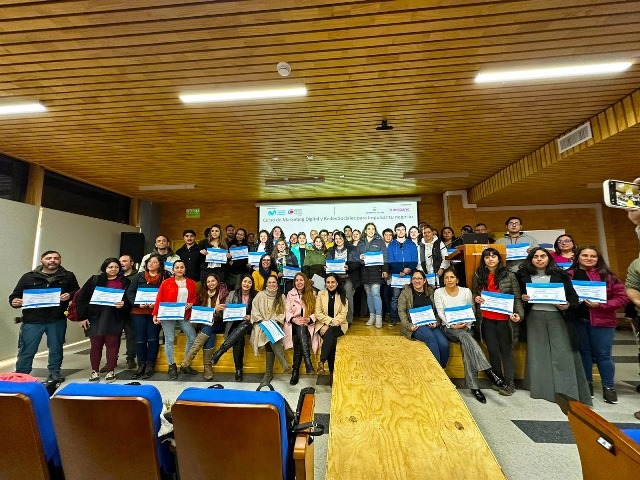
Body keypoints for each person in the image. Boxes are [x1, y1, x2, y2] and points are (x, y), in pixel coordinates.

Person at [517, 247, 592, 405]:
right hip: (534, 318)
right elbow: (516, 297)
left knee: (563, 354)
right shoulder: (522, 275)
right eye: (536, 256)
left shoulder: (560, 274)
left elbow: (573, 296)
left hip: (557, 317)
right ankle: (541, 390)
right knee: (538, 354)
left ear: (548, 258)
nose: (539, 259)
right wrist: (523, 298)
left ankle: (566, 391)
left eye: (542, 256)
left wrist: (567, 305)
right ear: (531, 259)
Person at [434, 267, 507, 404]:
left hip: (466, 327)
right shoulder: (438, 292)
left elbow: (471, 310)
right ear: (443, 280)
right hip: (449, 328)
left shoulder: (466, 292)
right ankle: (488, 371)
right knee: (465, 336)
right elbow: (440, 313)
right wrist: (452, 325)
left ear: (457, 279)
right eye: (446, 278)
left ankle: (474, 387)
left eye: (452, 277)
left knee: (466, 342)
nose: (449, 280)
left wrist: (466, 324)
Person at [567, 246, 628, 404]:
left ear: (598, 258)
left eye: (593, 256)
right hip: (578, 321)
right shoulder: (568, 275)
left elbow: (622, 298)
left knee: (604, 355)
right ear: (578, 257)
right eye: (585, 255)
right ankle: (587, 385)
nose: (589, 258)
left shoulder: (608, 276)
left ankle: (609, 387)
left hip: (603, 322)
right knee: (584, 354)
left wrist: (601, 305)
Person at [9, 250, 79, 382]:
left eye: (56, 258)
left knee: (56, 348)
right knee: (27, 349)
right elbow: (15, 295)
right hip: (32, 320)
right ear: (42, 260)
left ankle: (54, 373)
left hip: (56, 319)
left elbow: (77, 292)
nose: (52, 260)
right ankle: (22, 374)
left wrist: (70, 295)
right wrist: (14, 302)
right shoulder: (28, 277)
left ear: (60, 260)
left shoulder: (68, 276)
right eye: (49, 258)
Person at [472, 248, 524, 396]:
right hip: (486, 319)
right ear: (483, 260)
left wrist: (519, 315)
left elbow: (517, 297)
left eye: (493, 256)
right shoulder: (478, 274)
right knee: (493, 351)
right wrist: (476, 298)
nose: (490, 259)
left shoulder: (509, 275)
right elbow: (475, 292)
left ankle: (510, 383)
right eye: (487, 257)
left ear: (499, 259)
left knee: (506, 351)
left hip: (504, 320)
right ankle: (498, 380)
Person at [76, 258, 131, 383]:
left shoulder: (125, 281)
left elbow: (129, 299)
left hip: (115, 317)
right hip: (95, 317)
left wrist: (124, 304)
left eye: (116, 267)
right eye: (110, 267)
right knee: (96, 345)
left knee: (112, 344)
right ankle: (94, 371)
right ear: (104, 268)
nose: (113, 269)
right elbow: (82, 298)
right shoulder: (95, 280)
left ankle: (111, 370)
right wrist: (82, 317)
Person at [152, 260, 198, 380]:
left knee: (192, 337)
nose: (179, 269)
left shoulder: (191, 283)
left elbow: (194, 297)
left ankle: (185, 364)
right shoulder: (166, 282)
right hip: (168, 314)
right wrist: (155, 314)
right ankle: (171, 365)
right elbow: (159, 298)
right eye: (177, 267)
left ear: (185, 269)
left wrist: (191, 303)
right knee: (170, 339)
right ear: (173, 270)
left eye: (182, 267)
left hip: (184, 314)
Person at [179, 273, 229, 380]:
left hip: (219, 322)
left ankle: (187, 360)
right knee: (209, 334)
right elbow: (198, 310)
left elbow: (224, 313)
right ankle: (207, 368)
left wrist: (215, 311)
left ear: (217, 281)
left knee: (209, 326)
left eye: (213, 281)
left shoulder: (224, 294)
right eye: (208, 281)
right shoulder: (202, 293)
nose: (211, 283)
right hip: (205, 324)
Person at [210, 274, 258, 381]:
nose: (246, 284)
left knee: (246, 325)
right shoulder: (233, 293)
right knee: (238, 338)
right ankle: (239, 370)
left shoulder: (256, 295)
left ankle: (220, 352)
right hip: (235, 323)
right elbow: (225, 313)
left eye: (249, 282)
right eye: (245, 281)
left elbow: (260, 312)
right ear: (241, 282)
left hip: (251, 323)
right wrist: (221, 309)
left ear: (252, 284)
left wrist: (252, 317)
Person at [398, 270, 450, 368]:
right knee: (431, 338)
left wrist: (437, 322)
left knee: (444, 344)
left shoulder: (432, 292)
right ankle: (436, 370)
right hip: (415, 325)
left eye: (419, 278)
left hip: (431, 324)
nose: (417, 281)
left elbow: (438, 310)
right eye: (414, 278)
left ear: (424, 280)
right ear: (411, 280)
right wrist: (409, 326)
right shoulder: (405, 292)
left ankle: (441, 368)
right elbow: (401, 311)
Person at [126, 253, 166, 379]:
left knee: (153, 338)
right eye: (149, 262)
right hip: (139, 312)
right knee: (140, 339)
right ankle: (141, 364)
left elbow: (167, 294)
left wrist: (157, 305)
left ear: (160, 265)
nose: (151, 264)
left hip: (155, 313)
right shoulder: (139, 276)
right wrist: (138, 304)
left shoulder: (164, 277)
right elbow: (130, 292)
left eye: (154, 262)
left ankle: (150, 365)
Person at [250, 275, 291, 391]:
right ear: (266, 284)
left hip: (275, 324)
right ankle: (283, 363)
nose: (272, 284)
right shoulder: (260, 295)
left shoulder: (281, 297)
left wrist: (275, 321)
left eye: (274, 282)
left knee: (271, 334)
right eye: (269, 282)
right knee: (269, 334)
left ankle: (268, 374)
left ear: (277, 284)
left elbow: (283, 312)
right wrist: (262, 321)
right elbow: (254, 311)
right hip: (261, 323)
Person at [315, 274, 349, 382]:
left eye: (333, 282)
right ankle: (332, 374)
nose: (330, 284)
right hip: (322, 325)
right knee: (332, 341)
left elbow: (343, 315)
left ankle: (322, 360)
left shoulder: (342, 295)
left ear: (337, 283)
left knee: (330, 333)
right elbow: (318, 313)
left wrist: (330, 324)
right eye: (328, 282)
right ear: (325, 283)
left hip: (339, 325)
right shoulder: (321, 294)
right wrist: (329, 322)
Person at [285, 273, 317, 385]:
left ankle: (295, 371)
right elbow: (287, 311)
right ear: (294, 282)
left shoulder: (312, 293)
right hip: (293, 324)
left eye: (301, 280)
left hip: (308, 324)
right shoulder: (290, 294)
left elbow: (317, 311)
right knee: (300, 327)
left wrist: (309, 319)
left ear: (305, 281)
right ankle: (308, 362)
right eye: (297, 280)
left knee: (299, 339)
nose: (299, 282)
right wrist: (294, 319)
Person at [387, 223, 418, 327]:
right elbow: (391, 260)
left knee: (410, 297)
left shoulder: (411, 244)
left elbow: (415, 260)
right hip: (397, 275)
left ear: (405, 231)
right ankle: (393, 318)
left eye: (402, 229)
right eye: (398, 230)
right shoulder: (391, 245)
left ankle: (411, 319)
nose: (400, 231)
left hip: (409, 274)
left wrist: (408, 269)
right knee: (395, 298)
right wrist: (401, 269)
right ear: (395, 231)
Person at [358, 222, 389, 328]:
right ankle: (372, 316)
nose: (371, 231)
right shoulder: (361, 242)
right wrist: (359, 257)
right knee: (369, 294)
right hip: (364, 271)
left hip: (376, 271)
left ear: (375, 231)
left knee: (375, 293)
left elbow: (385, 256)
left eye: (372, 229)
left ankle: (379, 317)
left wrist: (385, 270)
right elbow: (356, 256)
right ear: (365, 230)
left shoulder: (380, 242)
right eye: (369, 229)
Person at [326, 232, 361, 324]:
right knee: (335, 298)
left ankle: (348, 320)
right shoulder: (331, 250)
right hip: (335, 278)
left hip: (348, 277)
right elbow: (327, 262)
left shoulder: (352, 249)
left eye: (340, 238)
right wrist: (326, 267)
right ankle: (336, 319)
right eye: (336, 238)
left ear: (344, 239)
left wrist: (349, 267)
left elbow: (357, 262)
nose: (338, 240)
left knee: (348, 297)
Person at [117, 254, 138, 371]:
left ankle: (130, 358)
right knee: (114, 336)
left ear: (132, 263)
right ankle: (112, 359)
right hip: (116, 310)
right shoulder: (115, 275)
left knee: (131, 335)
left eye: (125, 261)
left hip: (131, 309)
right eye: (120, 261)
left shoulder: (137, 276)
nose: (122, 263)